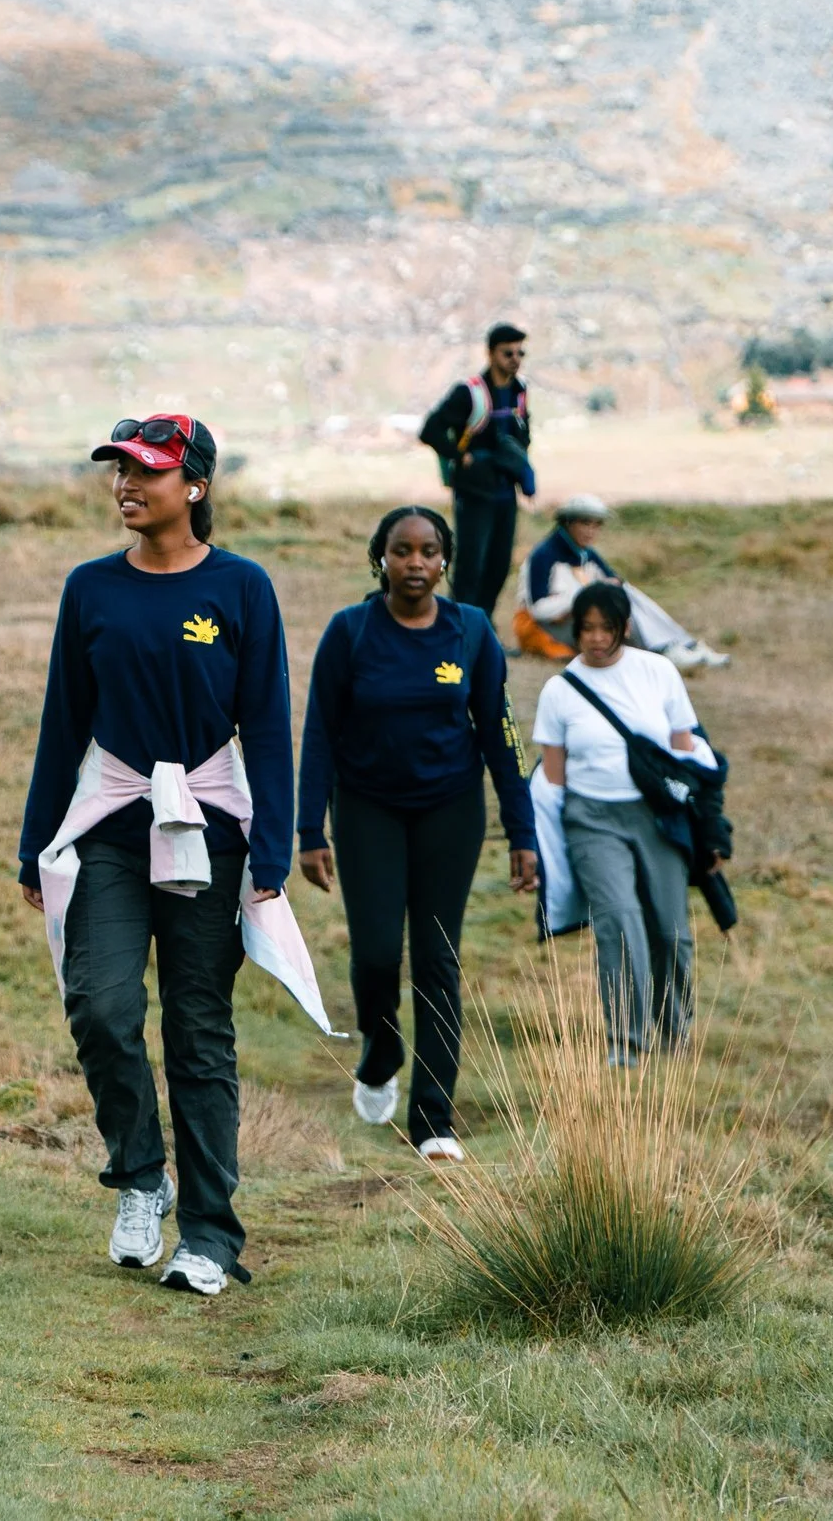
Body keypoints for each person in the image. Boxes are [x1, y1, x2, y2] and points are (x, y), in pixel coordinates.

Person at [18, 414, 292, 1298]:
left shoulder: (243, 588)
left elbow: (271, 727)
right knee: (99, 1004)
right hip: (110, 818)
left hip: (208, 826)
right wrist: (35, 842)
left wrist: (273, 846)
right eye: (120, 471)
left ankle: (210, 1233)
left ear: (196, 487)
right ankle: (142, 1176)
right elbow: (64, 720)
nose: (126, 485)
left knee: (198, 1027)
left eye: (148, 471)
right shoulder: (90, 588)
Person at [296, 506, 538, 1164]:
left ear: (444, 561)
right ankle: (380, 1050)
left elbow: (501, 734)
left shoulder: (472, 632)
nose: (415, 563)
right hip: (367, 806)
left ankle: (434, 1118)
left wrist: (523, 831)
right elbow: (319, 731)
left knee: (436, 958)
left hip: (449, 810)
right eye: (401, 550)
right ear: (380, 559)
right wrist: (308, 826)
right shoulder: (350, 632)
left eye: (429, 551)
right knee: (377, 952)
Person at [530, 583, 705, 1065]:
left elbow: (684, 748)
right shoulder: (559, 690)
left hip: (656, 818)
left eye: (606, 628)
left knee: (671, 932)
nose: (595, 638)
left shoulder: (658, 672)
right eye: (585, 628)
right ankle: (626, 1042)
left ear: (625, 628)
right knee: (620, 924)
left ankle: (676, 1031)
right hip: (592, 821)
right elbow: (553, 776)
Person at [516, 494, 730, 672]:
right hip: (548, 627)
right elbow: (538, 609)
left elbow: (616, 582)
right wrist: (585, 596)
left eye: (596, 525)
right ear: (568, 523)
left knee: (625, 593)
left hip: (580, 619)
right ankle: (666, 651)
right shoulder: (544, 555)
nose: (591, 531)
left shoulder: (585, 553)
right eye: (585, 523)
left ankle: (684, 645)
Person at [418, 322, 536, 621]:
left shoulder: (520, 391)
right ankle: (457, 628)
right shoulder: (469, 392)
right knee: (471, 566)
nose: (515, 358)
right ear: (491, 353)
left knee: (498, 566)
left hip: (505, 491)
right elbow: (430, 430)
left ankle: (483, 628)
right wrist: (461, 457)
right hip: (473, 493)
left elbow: (524, 432)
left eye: (520, 352)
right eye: (507, 352)